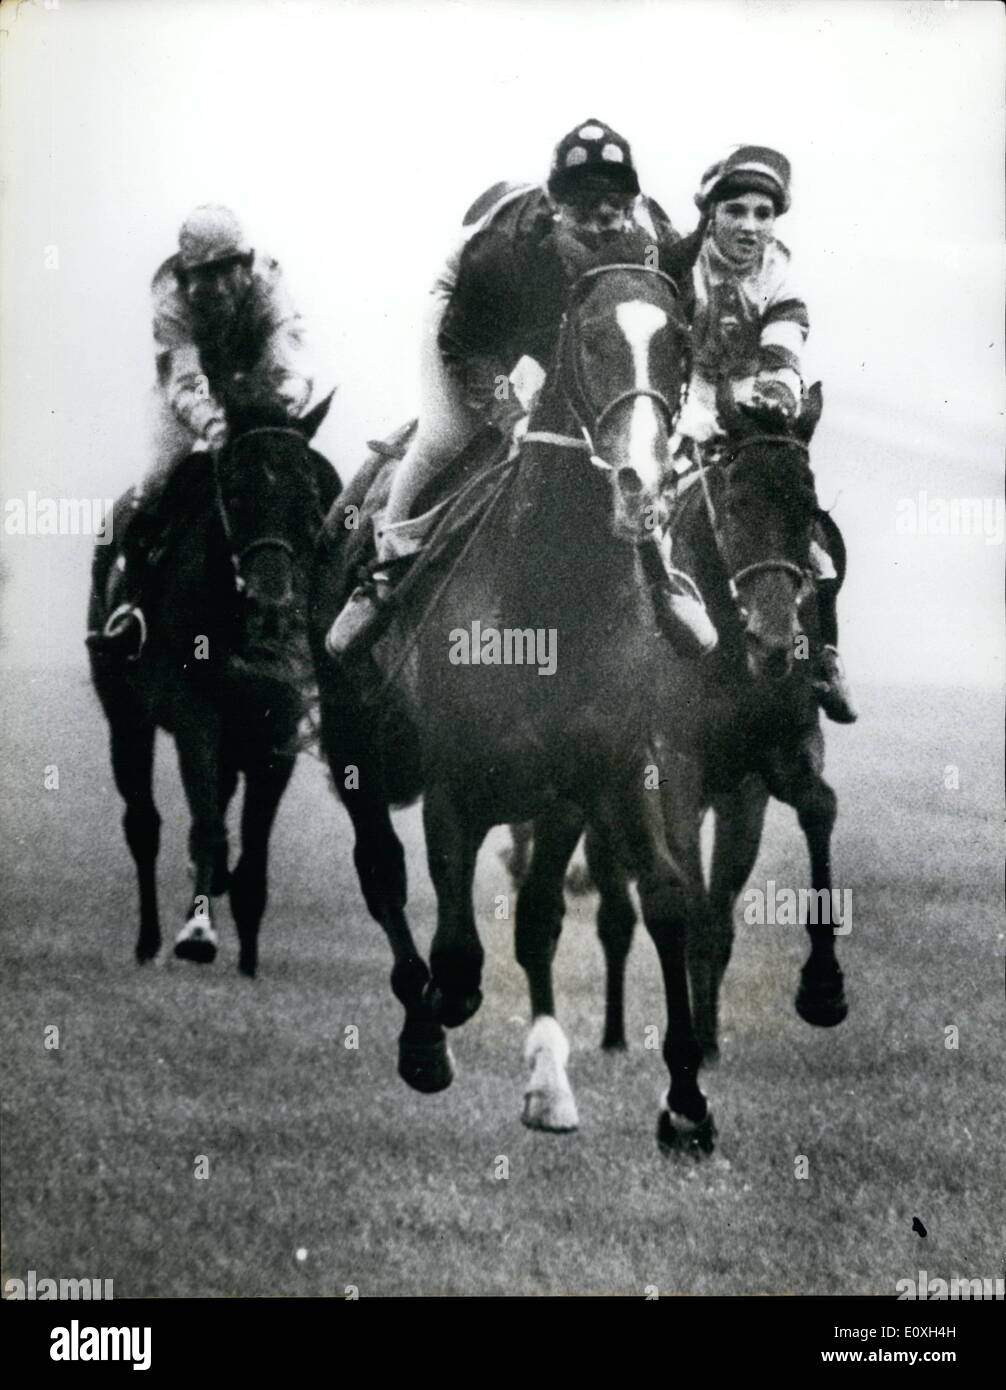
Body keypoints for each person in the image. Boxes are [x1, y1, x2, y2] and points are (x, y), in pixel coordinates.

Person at [326, 119, 715, 659]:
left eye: (612, 214)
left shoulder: (653, 244)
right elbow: (468, 344)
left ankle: (663, 574)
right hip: (487, 325)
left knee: (633, 451)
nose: (600, 232)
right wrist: (512, 413)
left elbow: (674, 327)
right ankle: (389, 567)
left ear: (632, 207)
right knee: (447, 437)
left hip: (589, 325)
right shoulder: (506, 248)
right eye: (581, 216)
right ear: (554, 207)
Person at [670, 145, 857, 723]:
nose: (751, 226)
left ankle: (823, 657)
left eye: (762, 213)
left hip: (748, 411)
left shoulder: (781, 275)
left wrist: (769, 410)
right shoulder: (678, 268)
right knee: (637, 519)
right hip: (680, 403)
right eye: (737, 211)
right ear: (712, 214)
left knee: (816, 539)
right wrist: (683, 416)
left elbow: (782, 359)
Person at [87, 205, 314, 661]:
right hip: (188, 395)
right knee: (154, 482)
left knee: (291, 474)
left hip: (253, 387)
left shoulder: (270, 284)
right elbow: (185, 381)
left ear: (243, 266)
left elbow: (288, 359)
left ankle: (323, 598)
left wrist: (278, 407)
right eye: (200, 274)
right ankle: (130, 610)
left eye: (222, 271)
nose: (209, 287)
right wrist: (212, 424)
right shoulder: (172, 299)